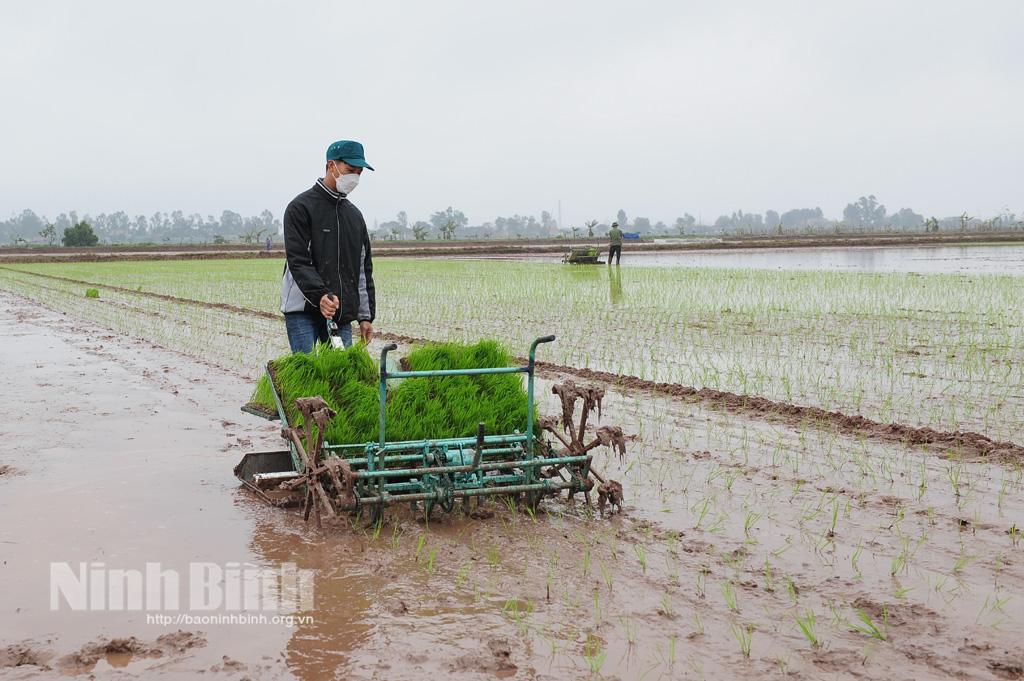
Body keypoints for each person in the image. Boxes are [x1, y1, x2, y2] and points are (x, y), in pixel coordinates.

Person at [280, 140, 376, 353]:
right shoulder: (301, 208)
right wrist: (320, 295)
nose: (355, 178)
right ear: (331, 166)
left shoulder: (354, 217)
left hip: (339, 313)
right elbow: (299, 260)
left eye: (359, 173)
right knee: (305, 373)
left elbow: (362, 269)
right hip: (302, 311)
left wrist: (365, 316)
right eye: (350, 170)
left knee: (340, 376)